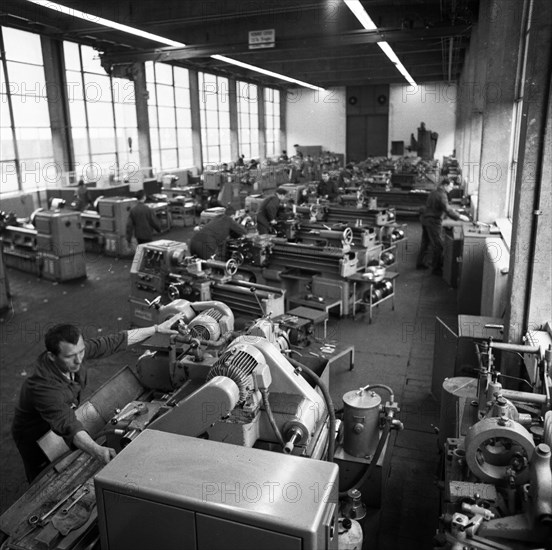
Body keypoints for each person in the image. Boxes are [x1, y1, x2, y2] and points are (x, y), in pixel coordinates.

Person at [11, 316, 182, 482]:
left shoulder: (74, 353)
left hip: (62, 412)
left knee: (66, 451)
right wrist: (98, 450)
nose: (79, 360)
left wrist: (156, 329)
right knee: (44, 474)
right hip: (34, 431)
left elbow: (113, 341)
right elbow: (69, 425)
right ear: (51, 356)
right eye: (71, 356)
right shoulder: (43, 387)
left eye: (81, 351)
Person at [417, 179, 469, 274]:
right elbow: (448, 210)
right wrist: (460, 216)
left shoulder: (434, 192)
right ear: (445, 185)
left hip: (425, 219)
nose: (452, 189)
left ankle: (420, 263)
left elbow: (441, 207)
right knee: (438, 246)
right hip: (433, 222)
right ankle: (436, 269)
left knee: (426, 243)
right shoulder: (442, 195)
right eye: (450, 186)